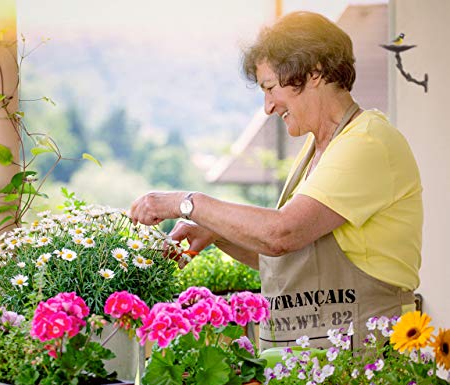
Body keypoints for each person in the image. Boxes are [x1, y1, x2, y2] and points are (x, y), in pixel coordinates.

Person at [130, 11, 422, 350]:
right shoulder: (318, 150)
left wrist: (187, 204)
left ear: (313, 72)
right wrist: (214, 230)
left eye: (270, 87)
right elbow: (288, 262)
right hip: (309, 376)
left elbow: (282, 233)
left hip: (366, 376)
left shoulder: (367, 142)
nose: (268, 106)